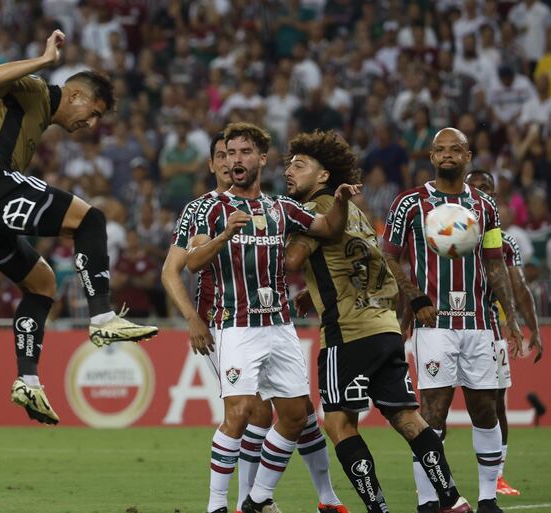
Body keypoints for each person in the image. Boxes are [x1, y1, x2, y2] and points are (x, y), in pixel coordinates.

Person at [0, 30, 157, 424]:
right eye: (92, 112)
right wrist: (44, 61)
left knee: (42, 284)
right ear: (75, 95)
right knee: (90, 218)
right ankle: (102, 318)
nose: (91, 123)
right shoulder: (38, 91)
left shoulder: (29, 115)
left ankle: (27, 379)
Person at [283, 130, 472, 513]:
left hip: (347, 333)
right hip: (384, 326)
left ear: (323, 177)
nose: (289, 170)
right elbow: (372, 258)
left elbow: (290, 260)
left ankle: (377, 509)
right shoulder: (353, 211)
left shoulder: (316, 211)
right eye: (289, 164)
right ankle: (454, 500)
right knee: (408, 418)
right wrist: (313, 288)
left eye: (299, 165)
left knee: (338, 425)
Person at [162, 132, 347, 513]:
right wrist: (193, 318)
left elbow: (328, 228)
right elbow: (185, 266)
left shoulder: (279, 207)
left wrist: (342, 200)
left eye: (244, 152)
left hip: (278, 324)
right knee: (249, 411)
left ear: (262, 159)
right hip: (229, 323)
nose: (234, 160)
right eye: (228, 154)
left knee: (300, 415)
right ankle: (219, 505)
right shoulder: (207, 210)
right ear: (217, 162)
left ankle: (261, 499)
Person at [382, 128, 523, 513]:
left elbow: (495, 264)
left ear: (468, 156)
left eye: (455, 149)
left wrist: (510, 318)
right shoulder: (411, 203)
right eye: (440, 149)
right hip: (435, 324)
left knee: (485, 410)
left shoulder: (485, 206)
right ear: (430, 156)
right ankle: (428, 500)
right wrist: (416, 298)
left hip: (479, 324)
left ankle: (488, 498)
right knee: (432, 412)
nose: (447, 155)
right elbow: (389, 256)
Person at [464, 170, 544, 496]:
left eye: (487, 188)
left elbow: (519, 287)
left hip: (490, 330)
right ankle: (432, 479)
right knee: (434, 403)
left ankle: (497, 475)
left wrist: (532, 327)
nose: (482, 192)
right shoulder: (441, 230)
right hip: (442, 327)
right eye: (476, 187)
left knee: (496, 403)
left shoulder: (504, 240)